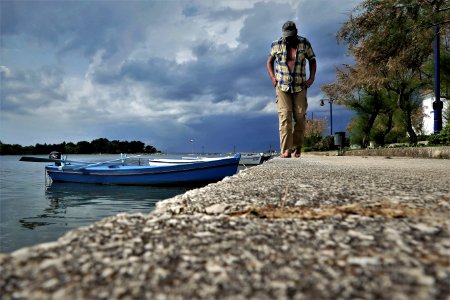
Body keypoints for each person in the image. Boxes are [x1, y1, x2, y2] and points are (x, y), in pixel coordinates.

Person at [266, 21, 316, 158]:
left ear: (296, 32)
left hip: (300, 86)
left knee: (300, 116)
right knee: (285, 117)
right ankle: (286, 150)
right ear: (283, 34)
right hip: (282, 86)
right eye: (287, 36)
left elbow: (312, 60)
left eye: (292, 36)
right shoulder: (276, 44)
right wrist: (272, 78)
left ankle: (297, 147)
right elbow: (269, 61)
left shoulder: (304, 43)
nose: (289, 39)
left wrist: (311, 78)